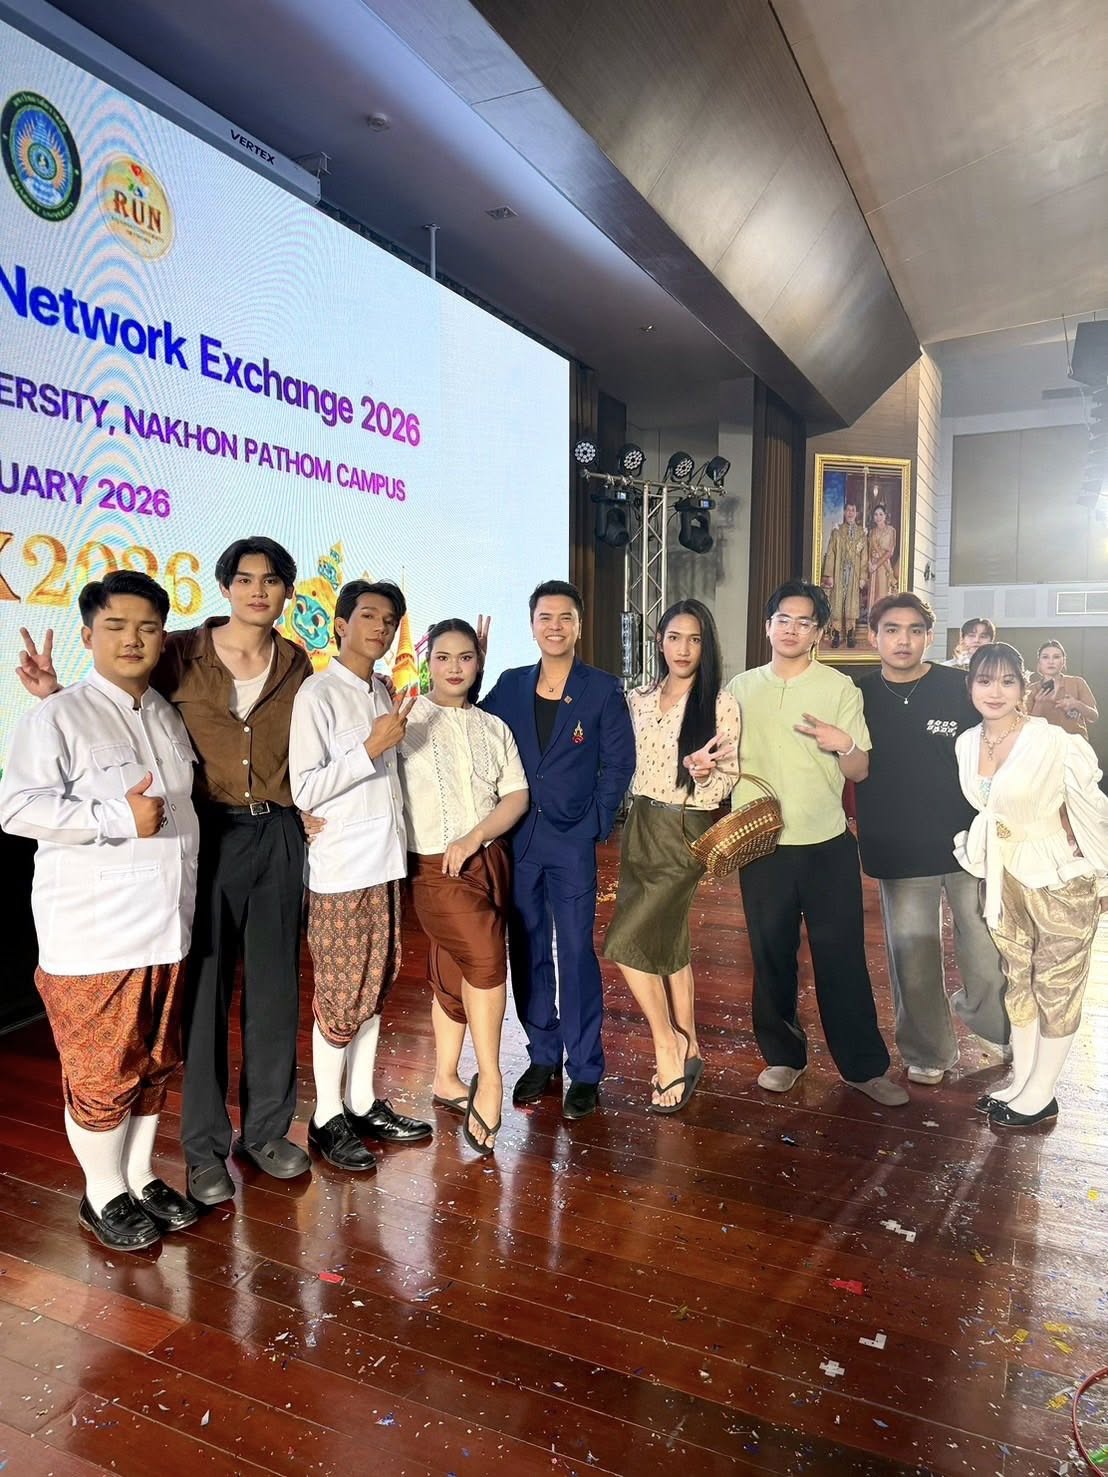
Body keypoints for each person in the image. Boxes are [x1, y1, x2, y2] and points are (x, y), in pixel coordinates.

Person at [18, 535, 313, 1205]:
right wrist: (55, 695)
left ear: (286, 592)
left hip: (278, 829)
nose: (258, 590)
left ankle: (267, 1132)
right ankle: (204, 1151)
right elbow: (109, 712)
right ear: (224, 587)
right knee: (202, 996)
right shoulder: (178, 651)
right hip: (207, 832)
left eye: (271, 580)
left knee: (276, 991)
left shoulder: (297, 661)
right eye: (245, 578)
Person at [1, 572, 200, 1251]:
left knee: (154, 1063)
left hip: (167, 927)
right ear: (88, 636)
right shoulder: (57, 715)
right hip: (95, 935)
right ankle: (102, 1192)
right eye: (115, 626)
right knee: (100, 1073)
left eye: (147, 627)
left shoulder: (164, 713)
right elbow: (17, 808)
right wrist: (117, 816)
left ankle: (140, 1176)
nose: (132, 639)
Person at [726, 579, 908, 1105]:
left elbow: (860, 769)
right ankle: (783, 1056)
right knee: (770, 956)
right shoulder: (740, 688)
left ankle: (862, 1066)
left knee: (841, 956)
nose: (791, 629)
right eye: (783, 619)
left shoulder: (838, 689)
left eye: (804, 622)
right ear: (768, 626)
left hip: (826, 842)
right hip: (761, 844)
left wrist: (843, 743)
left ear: (818, 633)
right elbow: (723, 759)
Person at [290, 580, 432, 1173]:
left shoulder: (380, 690)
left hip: (384, 866)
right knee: (341, 995)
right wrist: (370, 747)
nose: (380, 627)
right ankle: (326, 1117)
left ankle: (363, 1101)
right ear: (341, 625)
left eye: (389, 620)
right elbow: (304, 788)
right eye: (368, 616)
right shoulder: (317, 694)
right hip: (343, 870)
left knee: (375, 986)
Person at [481, 580, 636, 1120]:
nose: (555, 626)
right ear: (532, 626)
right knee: (527, 950)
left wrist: (595, 821)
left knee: (574, 952)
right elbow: (476, 728)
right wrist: (473, 669)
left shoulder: (602, 690)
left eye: (565, 617)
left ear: (579, 626)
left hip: (571, 842)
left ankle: (586, 1068)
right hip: (520, 839)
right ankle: (543, 1055)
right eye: (545, 617)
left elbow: (619, 763)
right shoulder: (509, 684)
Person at [854, 594, 1009, 1087]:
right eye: (892, 629)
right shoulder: (856, 695)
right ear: (873, 637)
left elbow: (1001, 738)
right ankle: (927, 1049)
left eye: (915, 630)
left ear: (929, 636)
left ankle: (995, 1025)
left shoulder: (957, 688)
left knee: (986, 951)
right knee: (913, 958)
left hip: (968, 846)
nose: (903, 640)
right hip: (898, 847)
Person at [954, 642, 1108, 1128]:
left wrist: (1103, 873)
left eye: (1007, 681)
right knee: (1018, 977)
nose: (994, 691)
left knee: (1056, 983)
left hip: (1056, 875)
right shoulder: (967, 741)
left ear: (1024, 687)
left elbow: (1091, 808)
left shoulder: (1054, 741)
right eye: (984, 680)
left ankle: (1043, 1091)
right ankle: (1023, 1080)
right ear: (970, 686)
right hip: (1004, 878)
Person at [603, 600, 740, 1112]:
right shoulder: (637, 699)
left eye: (695, 639)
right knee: (670, 939)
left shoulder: (720, 704)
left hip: (686, 827)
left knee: (625, 942)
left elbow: (727, 779)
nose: (684, 649)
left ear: (707, 646)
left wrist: (704, 774)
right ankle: (693, 1044)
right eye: (675, 637)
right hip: (640, 823)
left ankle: (668, 1044)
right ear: (659, 640)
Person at [401, 619, 530, 1155]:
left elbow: (516, 795)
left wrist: (476, 837)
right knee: (484, 956)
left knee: (454, 971)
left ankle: (446, 1077)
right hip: (434, 868)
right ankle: (491, 1080)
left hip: (490, 860)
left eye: (466, 657)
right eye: (443, 657)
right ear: (427, 662)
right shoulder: (405, 721)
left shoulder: (493, 727)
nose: (454, 667)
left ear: (479, 662)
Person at [1027, 640, 1098, 738]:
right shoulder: (1031, 690)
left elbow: (1093, 716)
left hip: (1075, 741)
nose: (1051, 661)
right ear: (1039, 662)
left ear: (1063, 661)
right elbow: (1027, 727)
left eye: (1056, 657)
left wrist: (1076, 704)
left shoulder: (1077, 682)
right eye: (1045, 657)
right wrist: (1039, 704)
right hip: (1043, 741)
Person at [821, 501, 865, 648]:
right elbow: (831, 554)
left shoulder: (861, 534)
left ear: (856, 513)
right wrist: (829, 575)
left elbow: (864, 557)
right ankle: (836, 634)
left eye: (853, 510)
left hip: (854, 573)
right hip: (839, 572)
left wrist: (862, 577)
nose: (850, 513)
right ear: (845, 513)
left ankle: (850, 634)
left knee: (851, 603)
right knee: (837, 601)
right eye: (848, 510)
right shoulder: (837, 531)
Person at [865, 503, 897, 607]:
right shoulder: (872, 532)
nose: (878, 517)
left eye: (880, 514)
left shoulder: (891, 530)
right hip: (873, 566)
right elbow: (869, 549)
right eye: (876, 514)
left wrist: (876, 565)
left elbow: (890, 552)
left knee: (882, 594)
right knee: (873, 595)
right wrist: (870, 563)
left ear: (885, 516)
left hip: (884, 566)